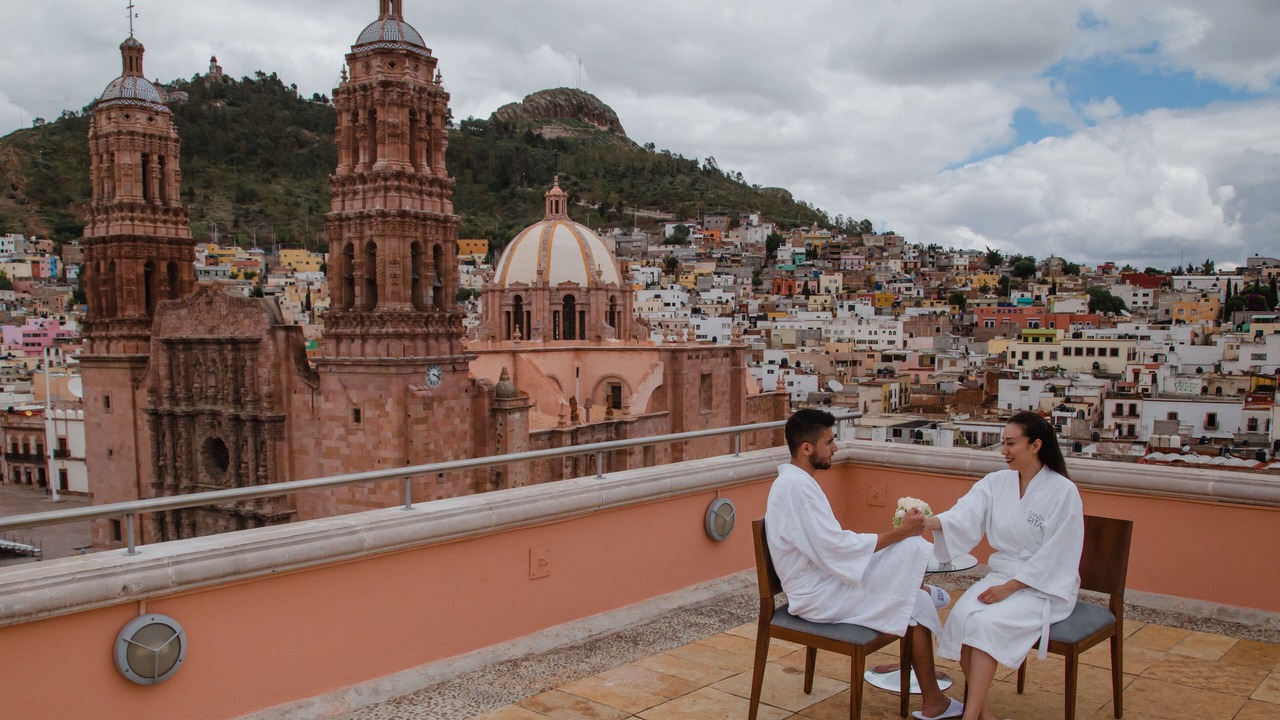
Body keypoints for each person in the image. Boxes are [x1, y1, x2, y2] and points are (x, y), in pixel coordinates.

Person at [766, 409, 963, 720]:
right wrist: (900, 532)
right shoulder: (795, 488)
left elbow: (833, 547)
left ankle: (919, 592)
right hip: (816, 597)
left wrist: (899, 536)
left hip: (826, 581)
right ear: (806, 448)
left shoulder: (798, 483)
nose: (835, 448)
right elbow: (836, 548)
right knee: (914, 596)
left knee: (906, 555)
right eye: (829, 442)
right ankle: (934, 699)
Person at [925, 411, 1084, 720]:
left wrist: (1010, 588)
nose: (1004, 451)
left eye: (1011, 444)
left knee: (986, 625)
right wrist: (928, 522)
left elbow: (1059, 553)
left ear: (1035, 445)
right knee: (962, 618)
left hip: (1043, 585)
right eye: (1003, 443)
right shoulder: (997, 483)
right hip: (1002, 575)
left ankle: (970, 717)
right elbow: (964, 514)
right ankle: (983, 715)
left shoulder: (1063, 492)